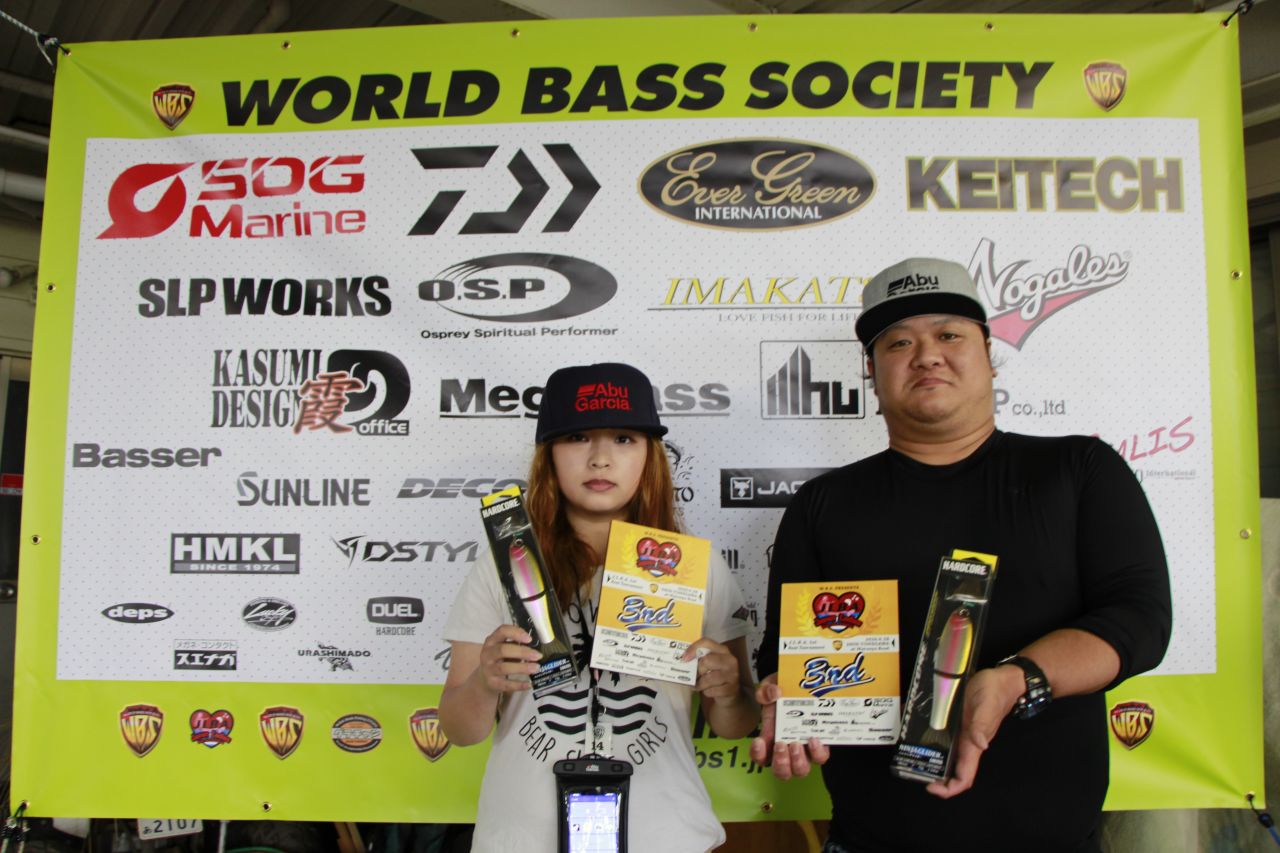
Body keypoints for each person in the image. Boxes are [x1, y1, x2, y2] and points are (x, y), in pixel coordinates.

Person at [751, 258, 1172, 853]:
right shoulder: (822, 504)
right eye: (899, 343)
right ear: (871, 373)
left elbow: (1140, 619)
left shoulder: (1079, 470)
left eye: (949, 334)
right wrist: (784, 696)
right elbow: (783, 656)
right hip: (870, 840)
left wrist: (1017, 679)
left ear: (989, 356)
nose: (926, 355)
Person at [441, 362, 759, 853]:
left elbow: (734, 723)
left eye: (624, 439)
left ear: (651, 455)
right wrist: (485, 682)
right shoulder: (507, 565)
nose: (600, 460)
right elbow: (458, 730)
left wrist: (729, 691)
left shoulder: (698, 565)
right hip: (523, 837)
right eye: (577, 438)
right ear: (548, 455)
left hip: (665, 834)